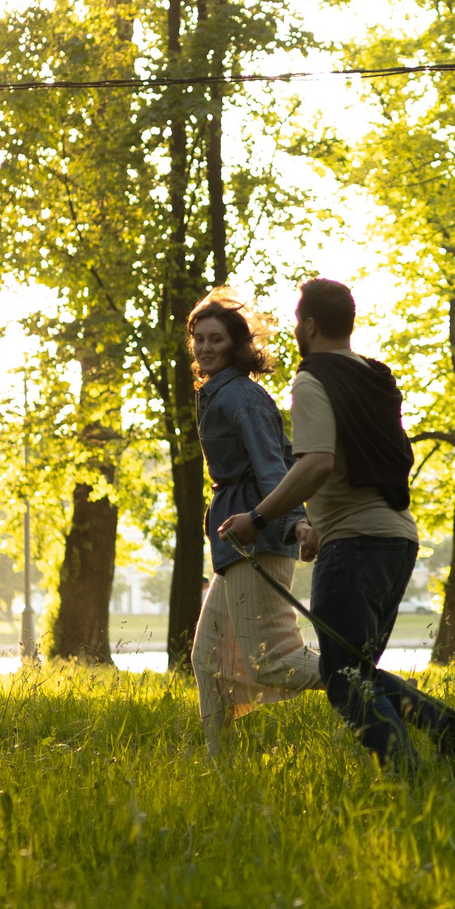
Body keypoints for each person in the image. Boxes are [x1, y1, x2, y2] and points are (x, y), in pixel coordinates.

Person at [220, 278, 455, 775]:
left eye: (298, 321)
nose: (296, 330)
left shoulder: (311, 379)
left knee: (341, 680)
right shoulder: (375, 375)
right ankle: (450, 729)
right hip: (396, 538)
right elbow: (370, 457)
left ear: (311, 325)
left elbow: (317, 462)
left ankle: (406, 775)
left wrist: (258, 518)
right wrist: (318, 521)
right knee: (354, 671)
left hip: (357, 544)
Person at [186, 295, 319, 760]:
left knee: (271, 662)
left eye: (216, 339)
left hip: (255, 535)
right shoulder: (217, 392)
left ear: (237, 344)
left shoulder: (241, 395)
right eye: (199, 339)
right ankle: (219, 764)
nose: (205, 348)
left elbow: (272, 465)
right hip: (234, 537)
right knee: (208, 659)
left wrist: (295, 523)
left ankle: (384, 691)